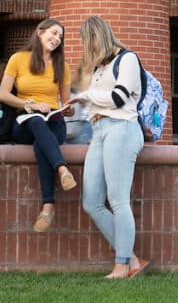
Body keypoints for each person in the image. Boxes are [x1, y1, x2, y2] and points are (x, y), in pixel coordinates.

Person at [72, 16, 148, 279]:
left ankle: (122, 265)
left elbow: (118, 98)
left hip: (122, 128)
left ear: (99, 36)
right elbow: (98, 103)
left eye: (88, 40)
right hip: (100, 130)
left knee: (118, 200)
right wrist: (80, 106)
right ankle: (133, 259)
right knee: (92, 202)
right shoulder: (98, 68)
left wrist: (87, 96)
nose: (88, 47)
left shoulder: (127, 59)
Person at [0, 18, 77, 233]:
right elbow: (3, 95)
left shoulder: (63, 66)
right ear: (40, 32)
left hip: (53, 119)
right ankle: (62, 169)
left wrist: (69, 109)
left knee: (42, 143)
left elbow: (65, 100)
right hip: (25, 118)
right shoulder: (18, 59)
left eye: (60, 37)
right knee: (36, 123)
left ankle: (48, 206)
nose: (56, 39)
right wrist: (28, 104)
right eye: (53, 33)